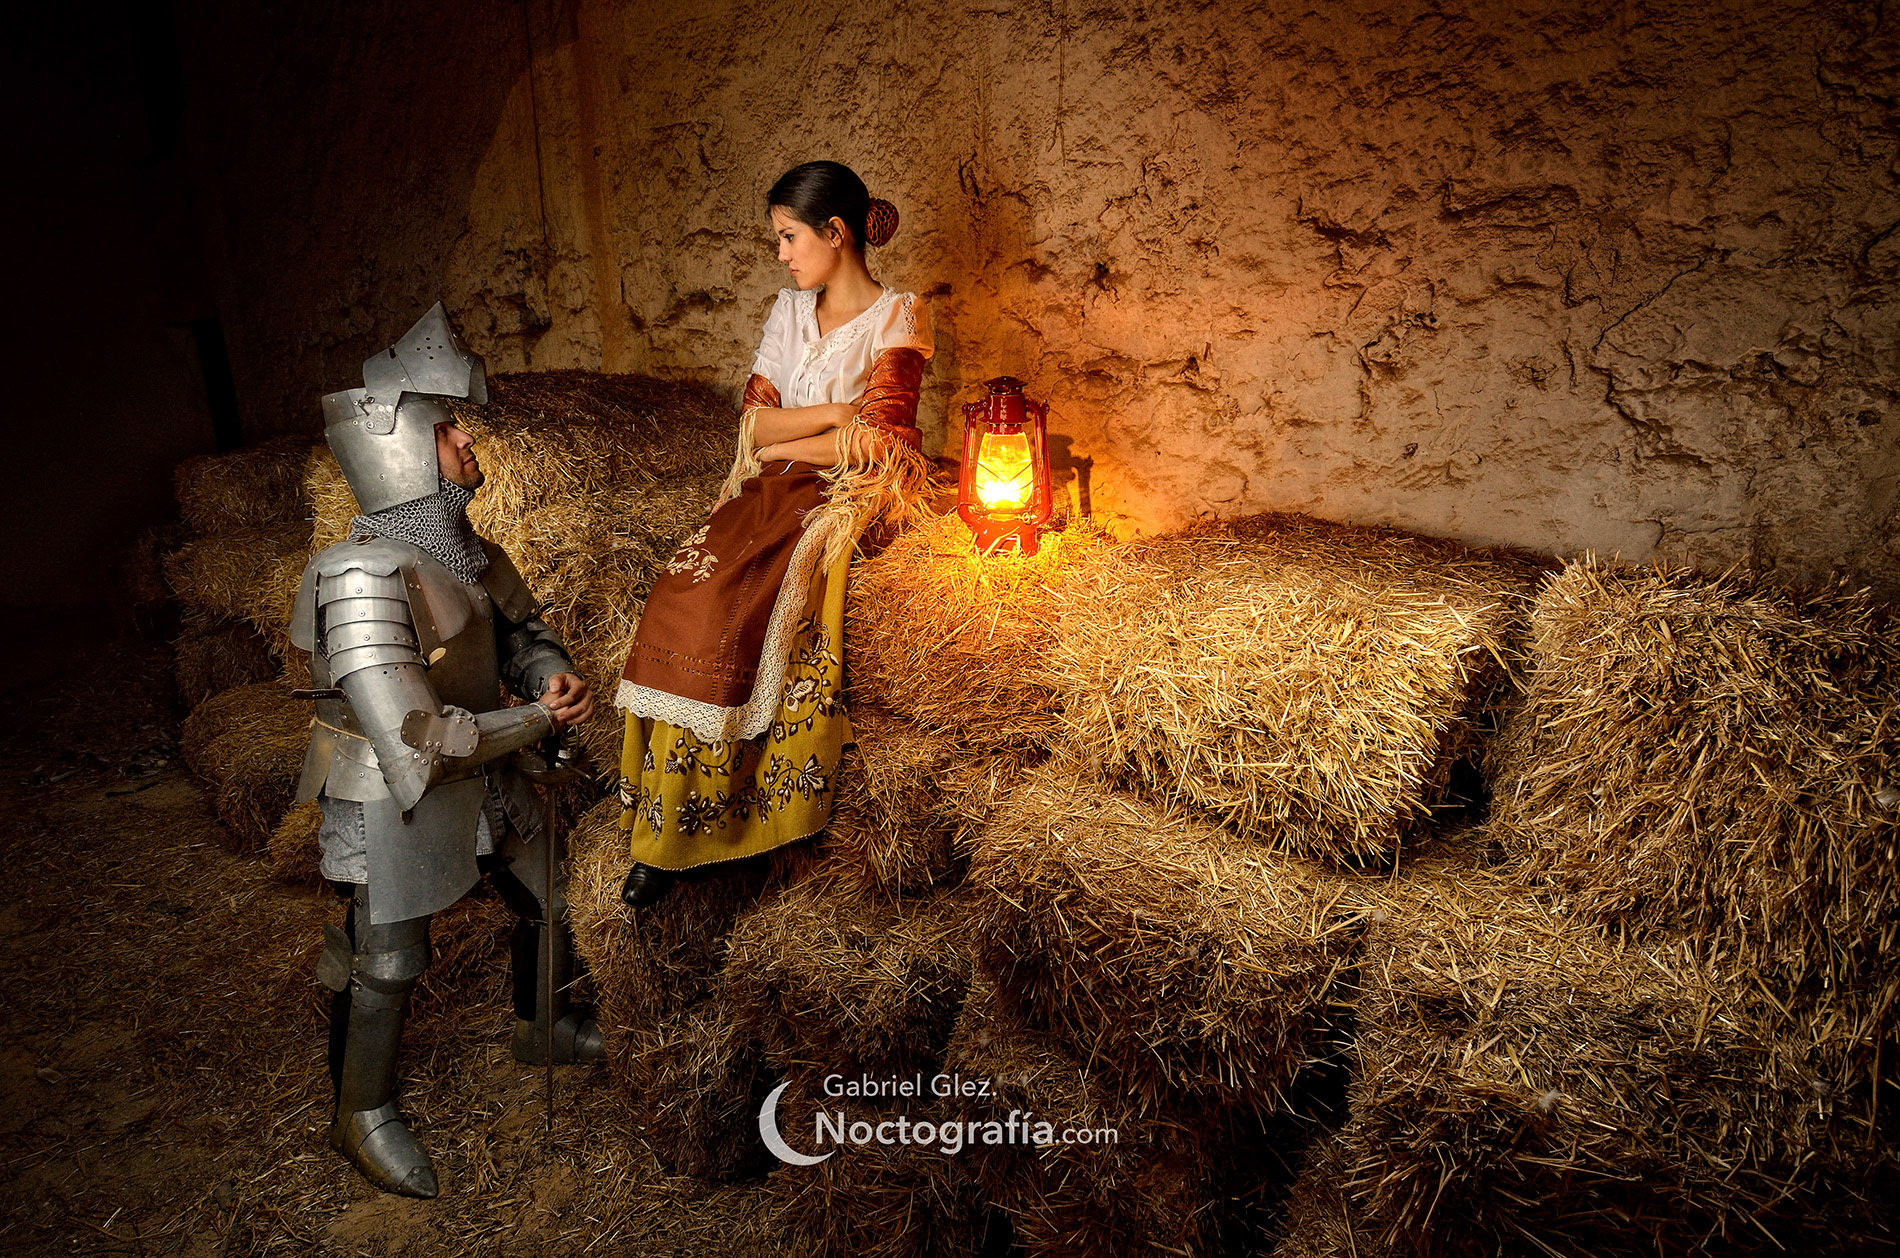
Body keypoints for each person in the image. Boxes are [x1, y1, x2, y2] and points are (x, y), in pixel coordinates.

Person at [288, 302, 602, 1198]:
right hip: (392, 790)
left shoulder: (470, 552)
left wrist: (551, 674)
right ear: (400, 445)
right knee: (388, 962)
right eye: (448, 424)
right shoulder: (357, 577)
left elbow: (522, 631)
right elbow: (417, 743)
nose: (468, 439)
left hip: (489, 761)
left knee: (554, 896)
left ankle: (542, 1027)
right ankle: (362, 1113)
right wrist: (543, 725)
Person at [613, 160, 934, 905]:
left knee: (737, 601)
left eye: (790, 237)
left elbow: (885, 443)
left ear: (836, 233)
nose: (783, 254)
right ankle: (663, 821)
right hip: (777, 481)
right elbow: (752, 428)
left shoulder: (899, 317)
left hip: (846, 493)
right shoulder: (787, 314)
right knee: (680, 591)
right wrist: (830, 417)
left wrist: (798, 438)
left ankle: (722, 825)